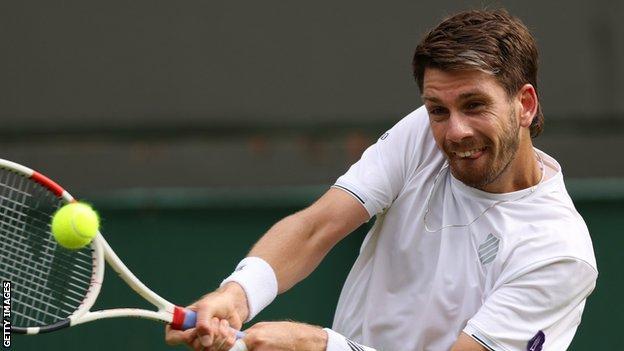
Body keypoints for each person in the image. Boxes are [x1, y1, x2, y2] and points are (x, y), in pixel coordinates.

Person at [166, 9, 597, 351]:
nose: (455, 131)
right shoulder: (423, 135)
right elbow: (318, 227)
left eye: (475, 105)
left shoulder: (558, 254)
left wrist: (320, 346)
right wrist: (237, 296)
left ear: (524, 104)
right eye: (437, 110)